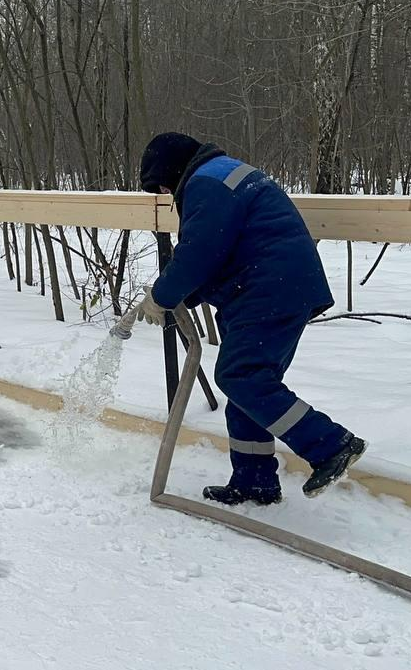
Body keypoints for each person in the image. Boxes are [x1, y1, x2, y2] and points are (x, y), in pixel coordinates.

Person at [137, 132, 366, 504]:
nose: (164, 192)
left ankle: (331, 445)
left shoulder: (207, 183)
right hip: (267, 287)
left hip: (269, 287)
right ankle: (254, 482)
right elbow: (220, 249)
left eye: (161, 184)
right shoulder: (220, 174)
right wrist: (180, 295)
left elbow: (199, 253)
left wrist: (163, 296)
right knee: (249, 385)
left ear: (172, 169)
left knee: (240, 376)